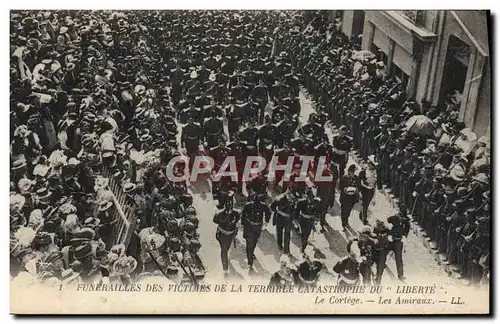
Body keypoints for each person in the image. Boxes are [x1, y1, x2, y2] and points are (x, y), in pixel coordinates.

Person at [241, 195, 271, 273]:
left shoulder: (263, 205)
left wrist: (266, 222)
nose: (255, 204)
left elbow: (268, 212)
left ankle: (251, 253)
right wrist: (242, 224)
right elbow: (243, 215)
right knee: (249, 244)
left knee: (254, 242)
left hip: (257, 226)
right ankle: (250, 262)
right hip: (249, 226)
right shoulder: (248, 205)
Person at [213, 200, 240, 276]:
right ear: (225, 207)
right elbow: (215, 220)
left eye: (230, 208)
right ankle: (225, 268)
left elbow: (237, 218)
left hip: (231, 235)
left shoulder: (236, 213)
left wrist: (233, 225)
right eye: (227, 208)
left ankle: (225, 260)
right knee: (224, 251)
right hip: (222, 235)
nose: (229, 210)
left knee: (226, 248)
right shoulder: (219, 213)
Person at [270, 190, 296, 255]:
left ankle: (287, 250)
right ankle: (279, 244)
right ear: (286, 195)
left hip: (288, 220)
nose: (291, 199)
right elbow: (272, 207)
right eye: (289, 197)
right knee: (279, 232)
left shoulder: (293, 199)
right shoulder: (279, 199)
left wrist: (294, 220)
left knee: (287, 234)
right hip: (280, 219)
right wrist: (280, 212)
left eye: (291, 197)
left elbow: (294, 210)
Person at [387, 211, 411, 281]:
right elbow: (388, 220)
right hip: (391, 239)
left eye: (401, 215)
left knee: (398, 258)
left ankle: (400, 274)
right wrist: (395, 216)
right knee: (383, 252)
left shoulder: (406, 222)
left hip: (399, 242)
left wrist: (404, 220)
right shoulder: (395, 219)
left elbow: (407, 230)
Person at [338, 164, 360, 229]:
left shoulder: (356, 178)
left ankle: (346, 221)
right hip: (344, 198)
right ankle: (343, 223)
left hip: (352, 198)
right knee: (343, 211)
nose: (353, 173)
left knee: (348, 211)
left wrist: (357, 190)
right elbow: (340, 187)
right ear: (349, 171)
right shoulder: (344, 178)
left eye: (354, 172)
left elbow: (359, 186)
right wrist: (344, 189)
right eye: (352, 172)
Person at [359, 155, 378, 225]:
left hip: (371, 190)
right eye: (370, 164)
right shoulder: (364, 171)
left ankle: (362, 214)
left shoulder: (375, 172)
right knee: (365, 205)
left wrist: (374, 194)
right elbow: (361, 181)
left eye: (372, 165)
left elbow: (375, 182)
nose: (371, 166)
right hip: (365, 190)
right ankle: (364, 219)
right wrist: (366, 185)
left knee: (366, 204)